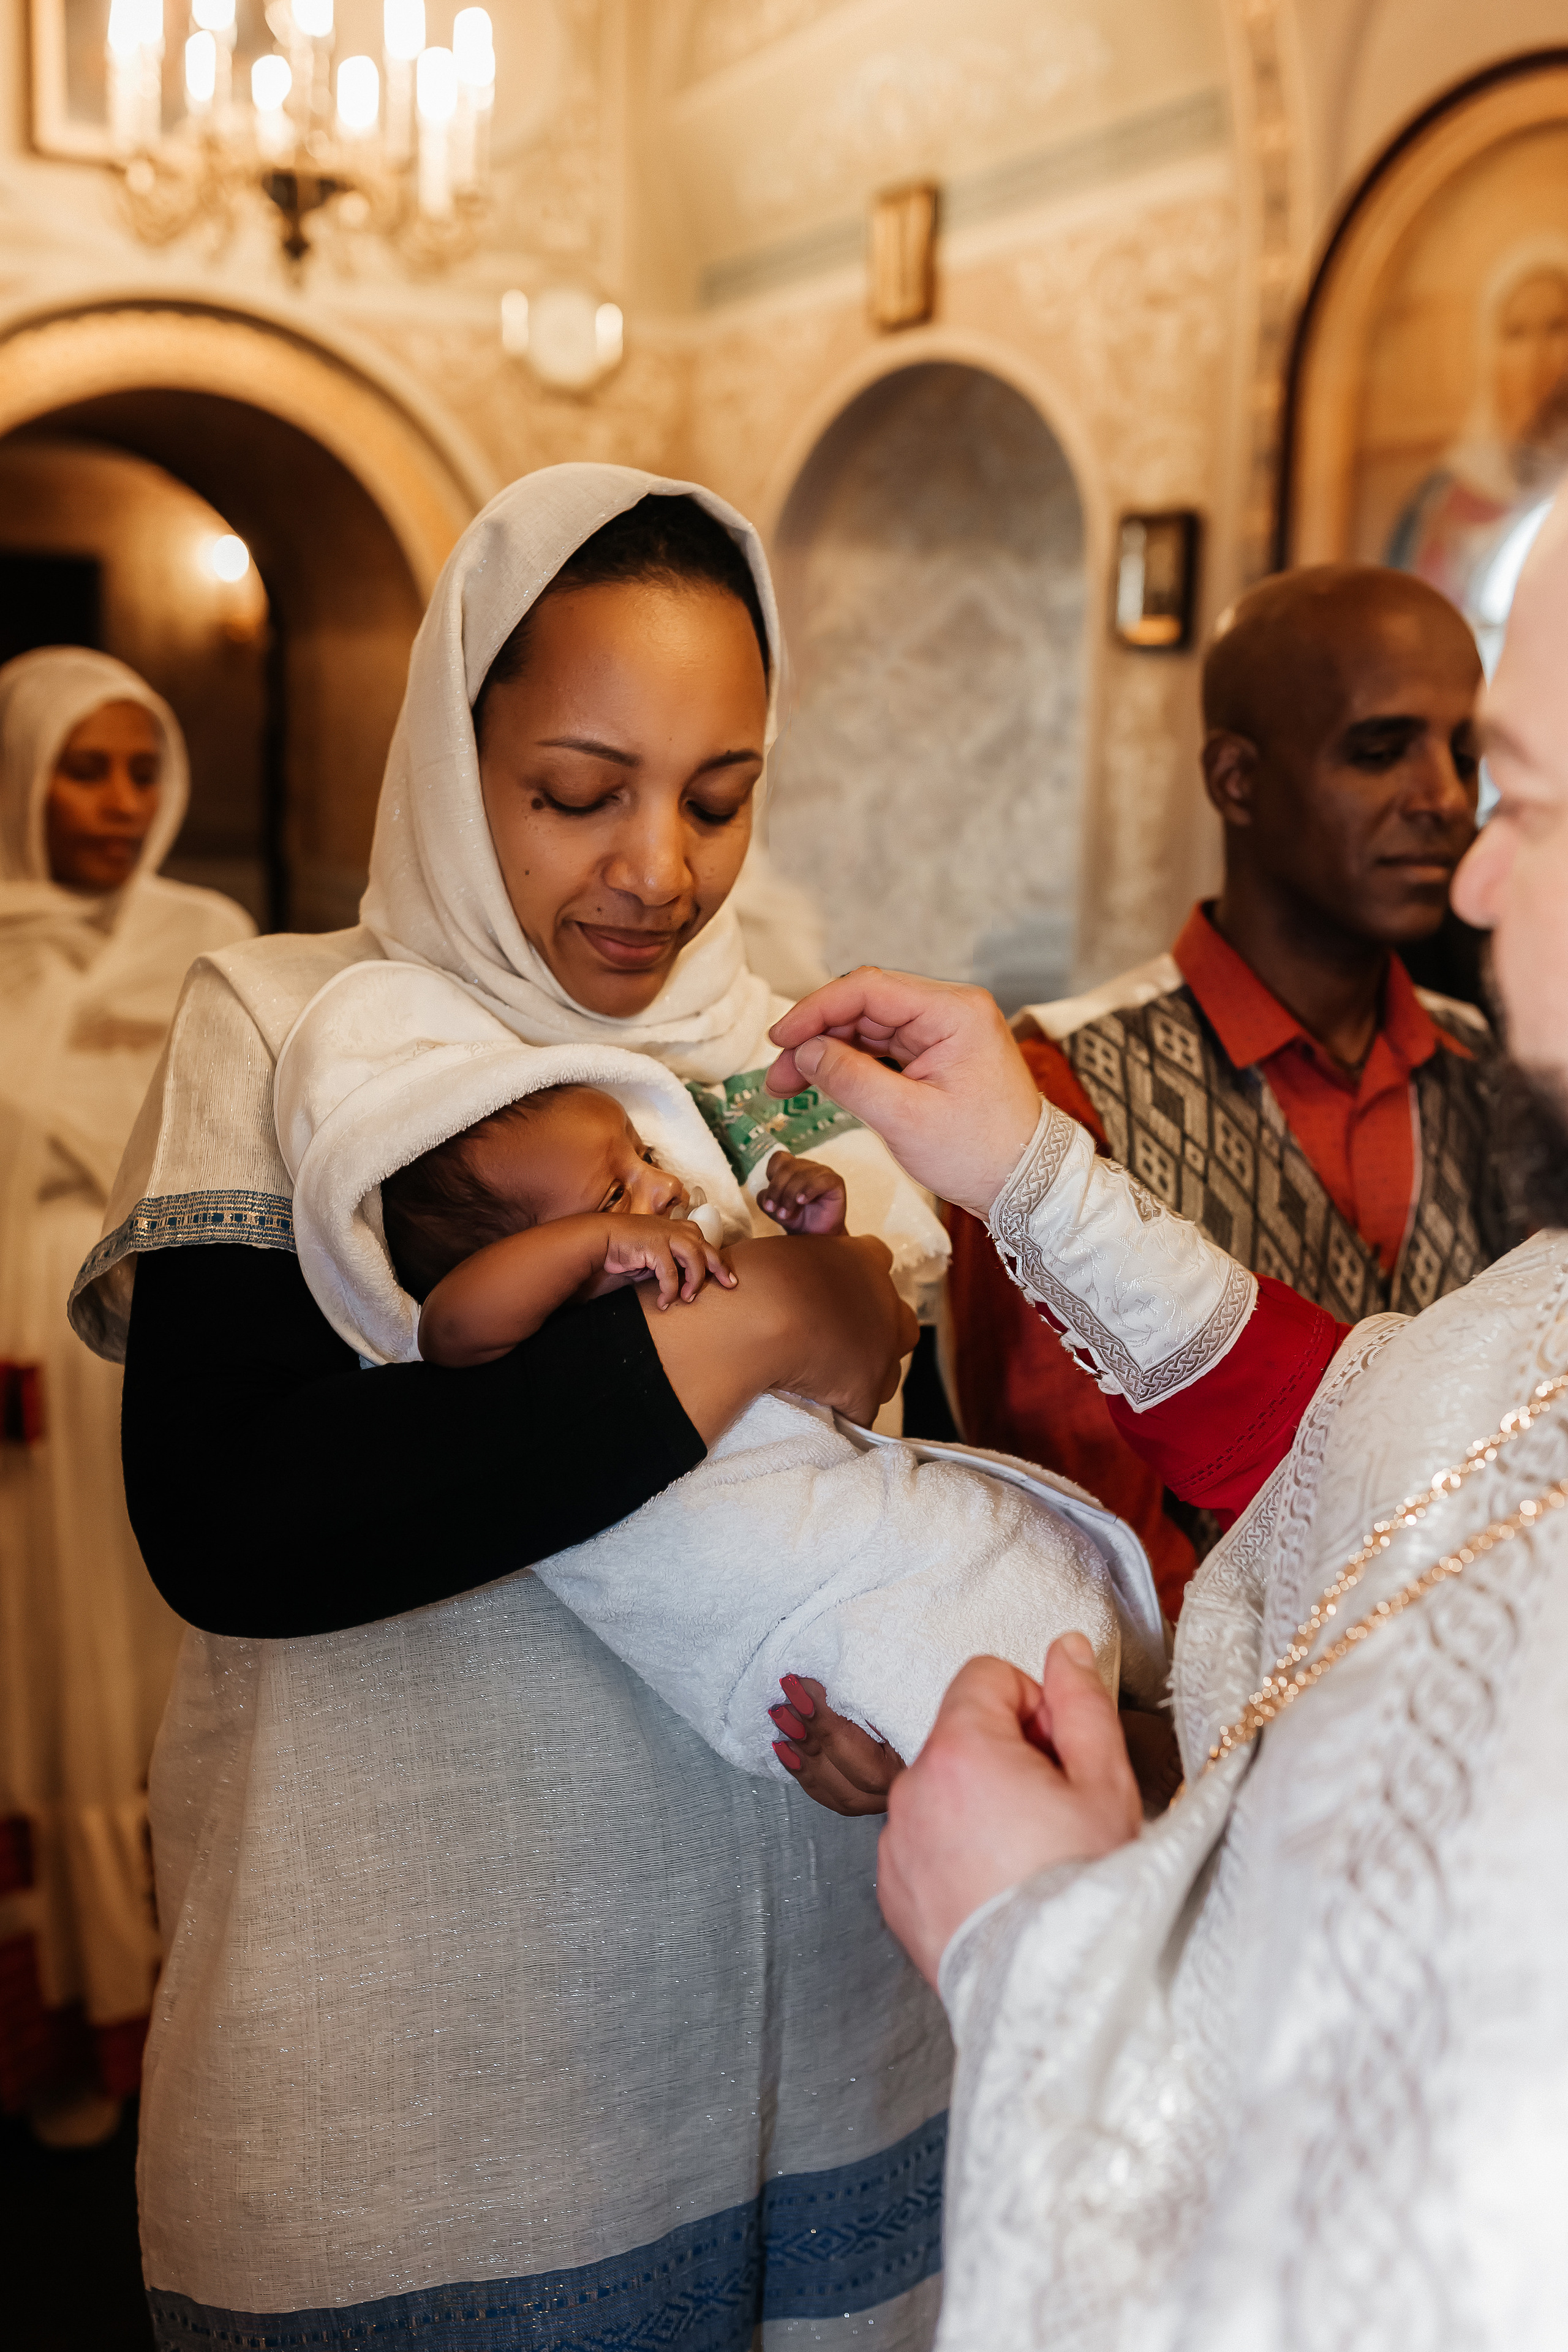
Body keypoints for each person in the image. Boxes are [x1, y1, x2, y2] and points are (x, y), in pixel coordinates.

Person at [69, 467, 959, 2351]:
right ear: (451, 754)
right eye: (579, 793)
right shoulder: (305, 1035)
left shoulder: (776, 1058)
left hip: (816, 2018)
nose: (660, 870)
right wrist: (725, 1336)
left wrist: (919, 1700)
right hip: (434, 2073)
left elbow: (894, 1453)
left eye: (720, 796)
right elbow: (241, 1526)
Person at [762, 484, 1568, 2346]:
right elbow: (1378, 1432)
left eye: (1517, 787)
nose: (1474, 866)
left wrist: (1043, 1942)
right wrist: (1033, 1168)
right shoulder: (1095, 1070)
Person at [270, 957, 1158, 1787]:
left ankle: (999, 1707)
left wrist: (818, 1244)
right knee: (936, 1650)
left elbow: (835, 1398)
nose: (658, 1191)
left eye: (644, 1160)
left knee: (1007, 1562)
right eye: (612, 1194)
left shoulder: (689, 1282)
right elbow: (451, 1327)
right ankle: (949, 1721)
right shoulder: (520, 1352)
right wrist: (597, 1241)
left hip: (850, 1532)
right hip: (778, 1598)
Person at [946, 562, 1517, 1617]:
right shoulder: (1057, 1088)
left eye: (1468, 753)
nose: (1443, 798)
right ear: (1237, 779)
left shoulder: (1512, 1070)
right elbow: (1084, 1541)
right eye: (1381, 750)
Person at [0, 649, 252, 2147]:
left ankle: (163, 2013)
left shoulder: (202, 938)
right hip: (4, 1373)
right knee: (25, 1664)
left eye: (138, 769)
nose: (113, 801)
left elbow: (205, 1155)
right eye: (79, 768)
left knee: (139, 1652)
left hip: (134, 1344)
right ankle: (44, 2027)